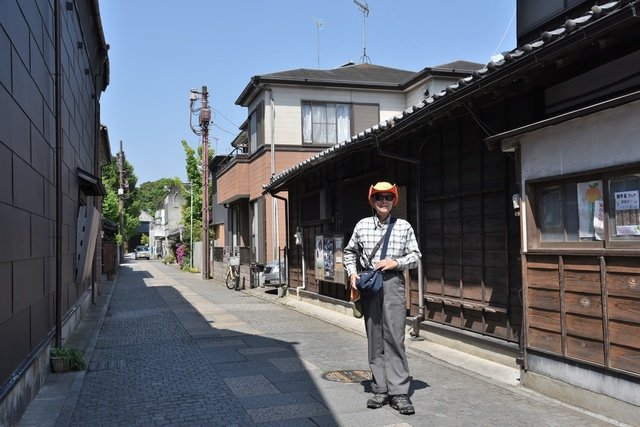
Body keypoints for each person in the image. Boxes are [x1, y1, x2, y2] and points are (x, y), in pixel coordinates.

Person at [343, 181, 422, 415]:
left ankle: (398, 392)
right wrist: (352, 273)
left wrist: (395, 262)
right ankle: (380, 388)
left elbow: (416, 256)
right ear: (372, 201)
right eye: (379, 198)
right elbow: (350, 252)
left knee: (395, 336)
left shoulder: (403, 226)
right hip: (370, 284)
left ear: (394, 200)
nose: (384, 201)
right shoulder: (362, 225)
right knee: (374, 336)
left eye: (388, 197)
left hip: (394, 282)